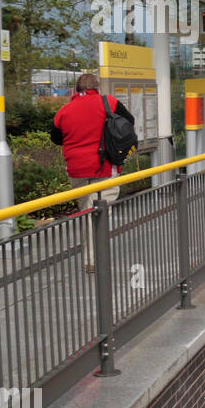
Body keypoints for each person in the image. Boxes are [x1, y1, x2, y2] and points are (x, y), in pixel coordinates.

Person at [51, 74, 135, 268]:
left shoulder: (64, 111)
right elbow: (128, 121)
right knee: (97, 214)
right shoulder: (109, 102)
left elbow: (55, 137)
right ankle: (93, 260)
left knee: (87, 211)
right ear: (97, 87)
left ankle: (92, 257)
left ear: (76, 88)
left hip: (76, 170)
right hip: (104, 167)